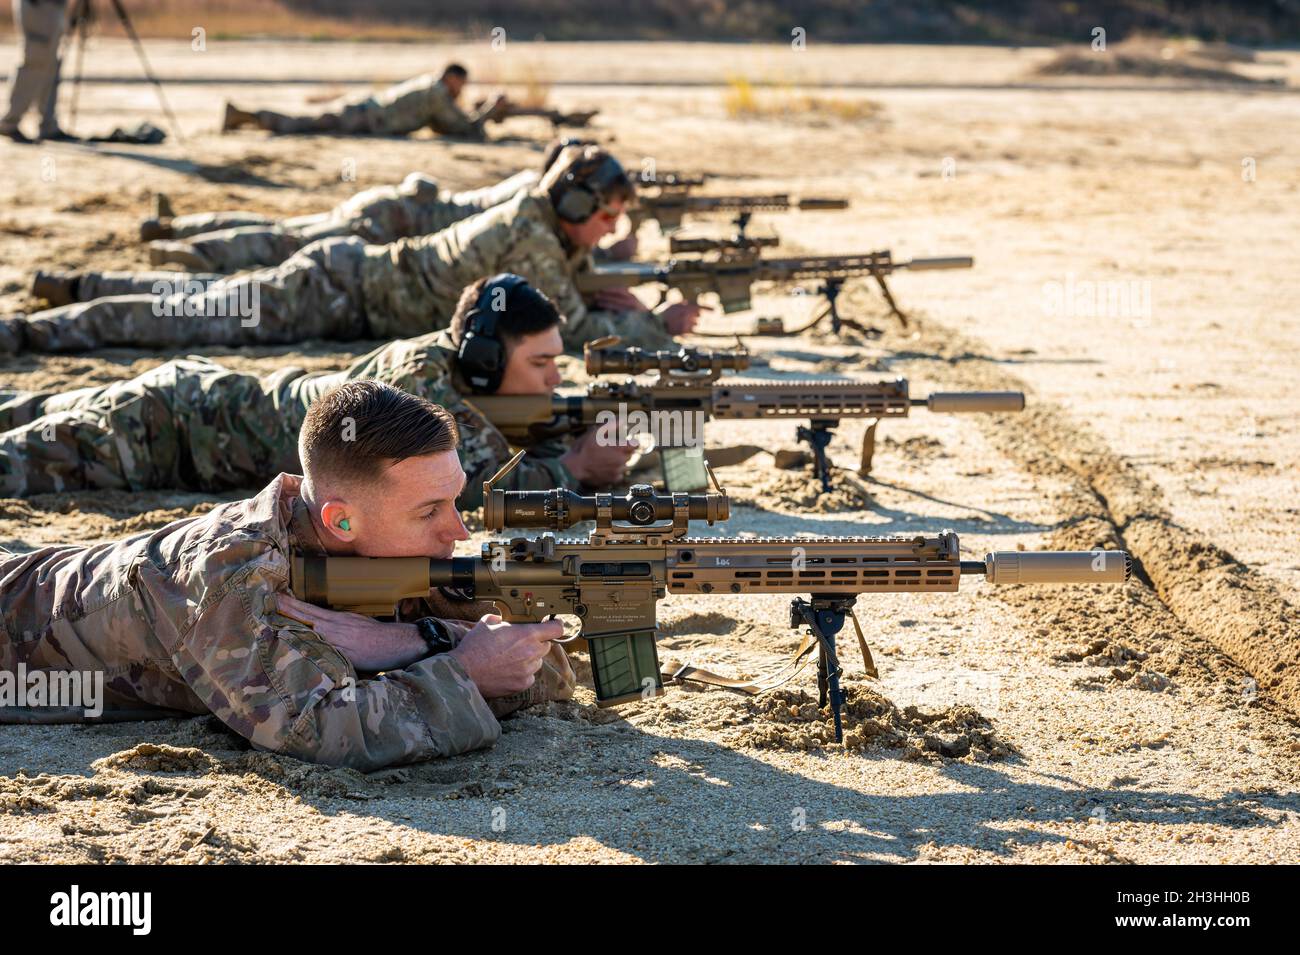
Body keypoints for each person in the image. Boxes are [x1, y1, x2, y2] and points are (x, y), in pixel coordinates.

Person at [0, 379, 577, 768]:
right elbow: (318, 729)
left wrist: (418, 640)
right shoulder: (230, 574)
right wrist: (466, 672)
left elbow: (537, 664)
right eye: (430, 510)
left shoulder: (396, 541)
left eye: (455, 500)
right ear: (340, 520)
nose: (457, 530)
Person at [0, 274, 635, 505]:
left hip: (191, 405)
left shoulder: (460, 370)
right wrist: (576, 466)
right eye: (543, 363)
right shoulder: (423, 389)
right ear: (489, 357)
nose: (557, 379)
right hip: (164, 431)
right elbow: (464, 493)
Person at [0, 145, 698, 354]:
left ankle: (80, 284)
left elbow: (577, 283)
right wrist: (653, 324)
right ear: (575, 204)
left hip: (349, 285)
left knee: (202, 300)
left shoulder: (539, 222)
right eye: (604, 216)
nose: (607, 229)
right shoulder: (531, 236)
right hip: (339, 289)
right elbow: (571, 331)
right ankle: (37, 325)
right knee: (190, 313)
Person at [221, 62, 508, 140]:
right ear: (452, 78)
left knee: (304, 124)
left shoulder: (432, 88)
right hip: (364, 117)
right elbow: (461, 126)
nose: (463, 89)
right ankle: (242, 116)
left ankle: (244, 117)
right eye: (461, 83)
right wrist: (490, 110)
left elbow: (445, 126)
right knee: (299, 124)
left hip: (364, 113)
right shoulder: (437, 94)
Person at [0, 0, 73, 144]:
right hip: (39, 5)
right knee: (36, 59)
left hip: (52, 7)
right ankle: (10, 122)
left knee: (50, 62)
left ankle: (48, 125)